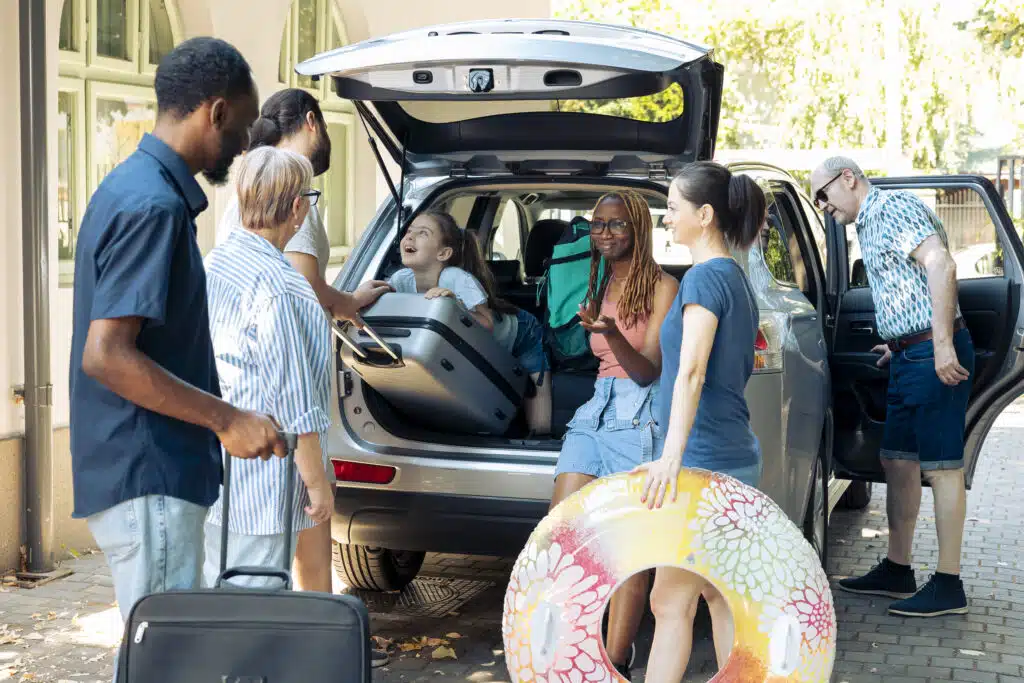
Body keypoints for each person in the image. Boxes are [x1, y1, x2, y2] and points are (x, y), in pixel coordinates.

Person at [70, 37, 284, 629]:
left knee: (157, 655)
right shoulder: (153, 206)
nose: (243, 149)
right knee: (166, 659)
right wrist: (227, 419)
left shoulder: (132, 185)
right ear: (215, 112)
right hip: (150, 472)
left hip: (145, 469)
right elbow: (107, 356)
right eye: (242, 130)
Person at [811, 156, 975, 618]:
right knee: (896, 460)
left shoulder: (894, 208)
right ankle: (897, 568)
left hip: (931, 353)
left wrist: (941, 345)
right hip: (908, 353)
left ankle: (948, 584)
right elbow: (908, 288)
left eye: (823, 194)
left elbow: (941, 264)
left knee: (942, 467)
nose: (822, 206)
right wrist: (899, 343)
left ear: (848, 178)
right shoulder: (867, 222)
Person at [634, 162, 766, 682]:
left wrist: (671, 456)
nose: (666, 219)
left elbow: (690, 371)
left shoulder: (707, 278)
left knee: (670, 602)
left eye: (672, 208)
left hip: (701, 461)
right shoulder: (734, 276)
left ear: (704, 215)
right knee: (716, 593)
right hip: (730, 452)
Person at [549, 190, 679, 680]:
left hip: (638, 412)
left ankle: (614, 661)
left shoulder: (664, 286)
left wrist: (613, 333)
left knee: (629, 548)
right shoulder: (599, 277)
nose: (605, 233)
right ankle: (572, 645)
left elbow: (648, 371)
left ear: (639, 229)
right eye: (598, 224)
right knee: (563, 532)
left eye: (616, 224)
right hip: (596, 407)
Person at [202, 146, 334, 591]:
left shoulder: (215, 263)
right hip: (264, 484)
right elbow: (296, 405)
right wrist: (318, 486)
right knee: (253, 603)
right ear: (298, 208)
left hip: (214, 470)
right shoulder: (281, 287)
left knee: (215, 590)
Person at [388, 211, 552, 435]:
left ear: (444, 253)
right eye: (409, 231)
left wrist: (455, 306)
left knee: (535, 385)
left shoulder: (456, 279)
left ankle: (541, 436)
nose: (409, 237)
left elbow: (486, 324)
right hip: (474, 348)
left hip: (520, 333)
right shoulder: (401, 280)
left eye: (422, 233)